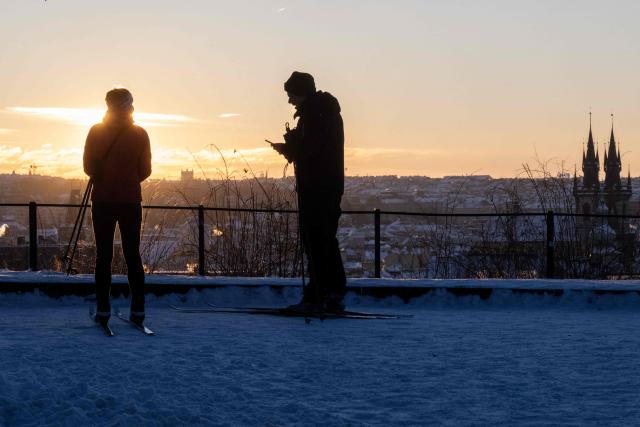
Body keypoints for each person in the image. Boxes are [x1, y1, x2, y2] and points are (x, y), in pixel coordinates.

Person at [271, 71, 347, 312]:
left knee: (315, 239)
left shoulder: (315, 115)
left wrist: (291, 146)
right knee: (324, 238)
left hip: (317, 186)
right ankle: (331, 290)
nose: (289, 100)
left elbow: (310, 152)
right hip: (326, 184)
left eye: (291, 94)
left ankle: (319, 293)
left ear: (301, 93)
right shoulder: (323, 112)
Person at [83, 88, 152, 326]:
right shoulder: (140, 134)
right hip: (130, 201)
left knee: (103, 256)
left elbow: (88, 166)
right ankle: (138, 310)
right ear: (130, 106)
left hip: (102, 200)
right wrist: (128, 181)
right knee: (133, 255)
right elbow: (146, 170)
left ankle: (103, 309)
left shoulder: (96, 132)